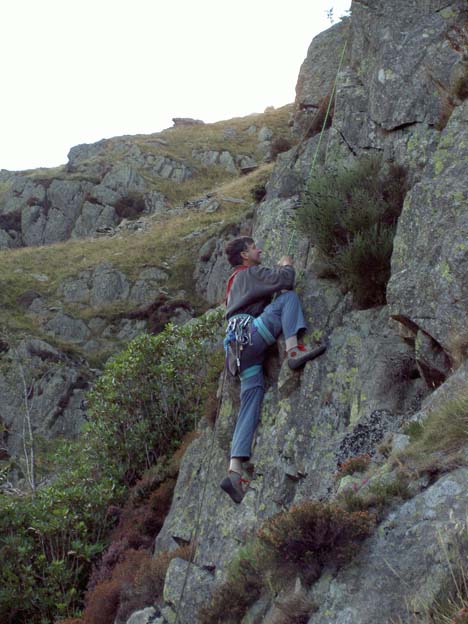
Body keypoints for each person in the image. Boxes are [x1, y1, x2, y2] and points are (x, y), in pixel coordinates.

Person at [220, 236, 326, 503]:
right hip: (251, 335)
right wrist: (286, 264)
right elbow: (285, 281)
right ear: (245, 254)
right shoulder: (250, 273)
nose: (260, 250)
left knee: (250, 400)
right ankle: (294, 350)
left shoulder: (233, 284)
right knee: (288, 298)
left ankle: (234, 469)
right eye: (255, 247)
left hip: (237, 352)